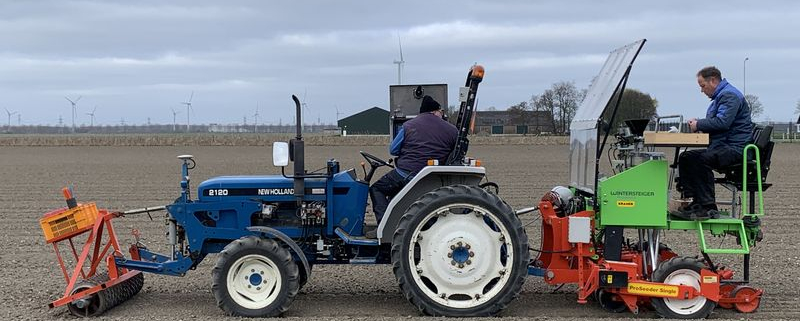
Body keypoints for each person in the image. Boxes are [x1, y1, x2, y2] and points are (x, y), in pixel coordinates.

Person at [367, 95, 458, 235]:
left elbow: (393, 150)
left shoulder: (408, 125)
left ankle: (384, 228)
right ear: (435, 111)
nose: (442, 114)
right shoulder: (452, 130)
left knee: (377, 189)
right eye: (441, 111)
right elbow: (455, 154)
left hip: (405, 173)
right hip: (431, 178)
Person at [675, 66, 752, 220]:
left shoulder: (729, 96)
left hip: (735, 148)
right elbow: (718, 123)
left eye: (703, 86)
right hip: (724, 145)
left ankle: (708, 206)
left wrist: (699, 125)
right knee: (686, 157)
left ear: (713, 80)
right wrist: (702, 125)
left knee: (702, 160)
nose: (702, 90)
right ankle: (692, 201)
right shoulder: (721, 96)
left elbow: (723, 122)